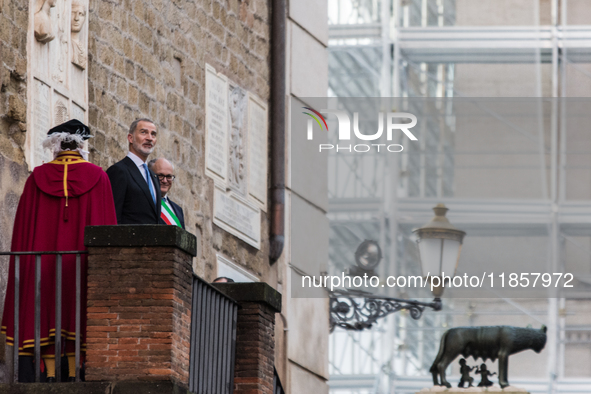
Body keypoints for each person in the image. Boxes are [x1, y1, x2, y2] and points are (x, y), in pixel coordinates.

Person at [1, 119, 117, 382]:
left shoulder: (36, 179)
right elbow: (108, 231)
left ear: (56, 146)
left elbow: (22, 233)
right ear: (80, 146)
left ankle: (43, 373)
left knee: (42, 310)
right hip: (81, 268)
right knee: (77, 311)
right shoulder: (99, 178)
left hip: (41, 269)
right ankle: (76, 371)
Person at [106, 118, 161, 224]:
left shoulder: (153, 177)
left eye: (153, 134)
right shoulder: (119, 171)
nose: (149, 138)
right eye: (143, 132)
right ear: (130, 138)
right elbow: (113, 217)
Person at [148, 158, 185, 229]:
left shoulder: (178, 210)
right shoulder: (144, 202)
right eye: (160, 176)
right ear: (150, 175)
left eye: (169, 176)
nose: (165, 181)